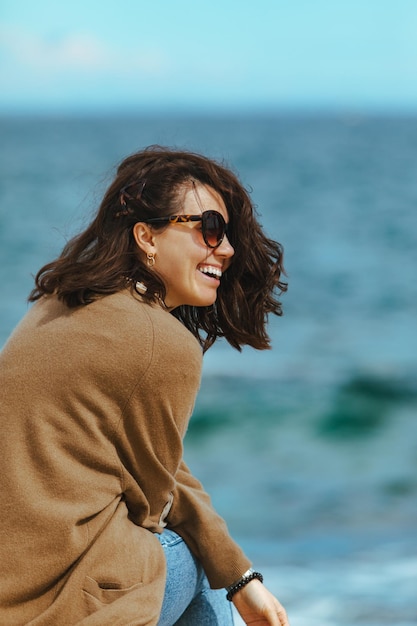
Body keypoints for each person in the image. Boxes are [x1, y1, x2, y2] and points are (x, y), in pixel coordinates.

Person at [0, 146, 289, 626]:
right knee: (191, 555)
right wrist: (236, 580)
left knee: (213, 561)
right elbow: (158, 504)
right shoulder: (163, 342)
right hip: (61, 600)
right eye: (209, 228)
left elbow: (162, 466)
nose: (228, 248)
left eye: (228, 234)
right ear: (146, 237)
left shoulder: (57, 302)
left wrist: (240, 573)